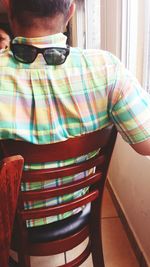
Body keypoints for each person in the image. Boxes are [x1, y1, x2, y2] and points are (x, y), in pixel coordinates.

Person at [1, 0, 150, 228]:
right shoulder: (107, 68)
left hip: (9, 220)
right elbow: (146, 144)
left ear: (10, 10)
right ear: (70, 11)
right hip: (76, 206)